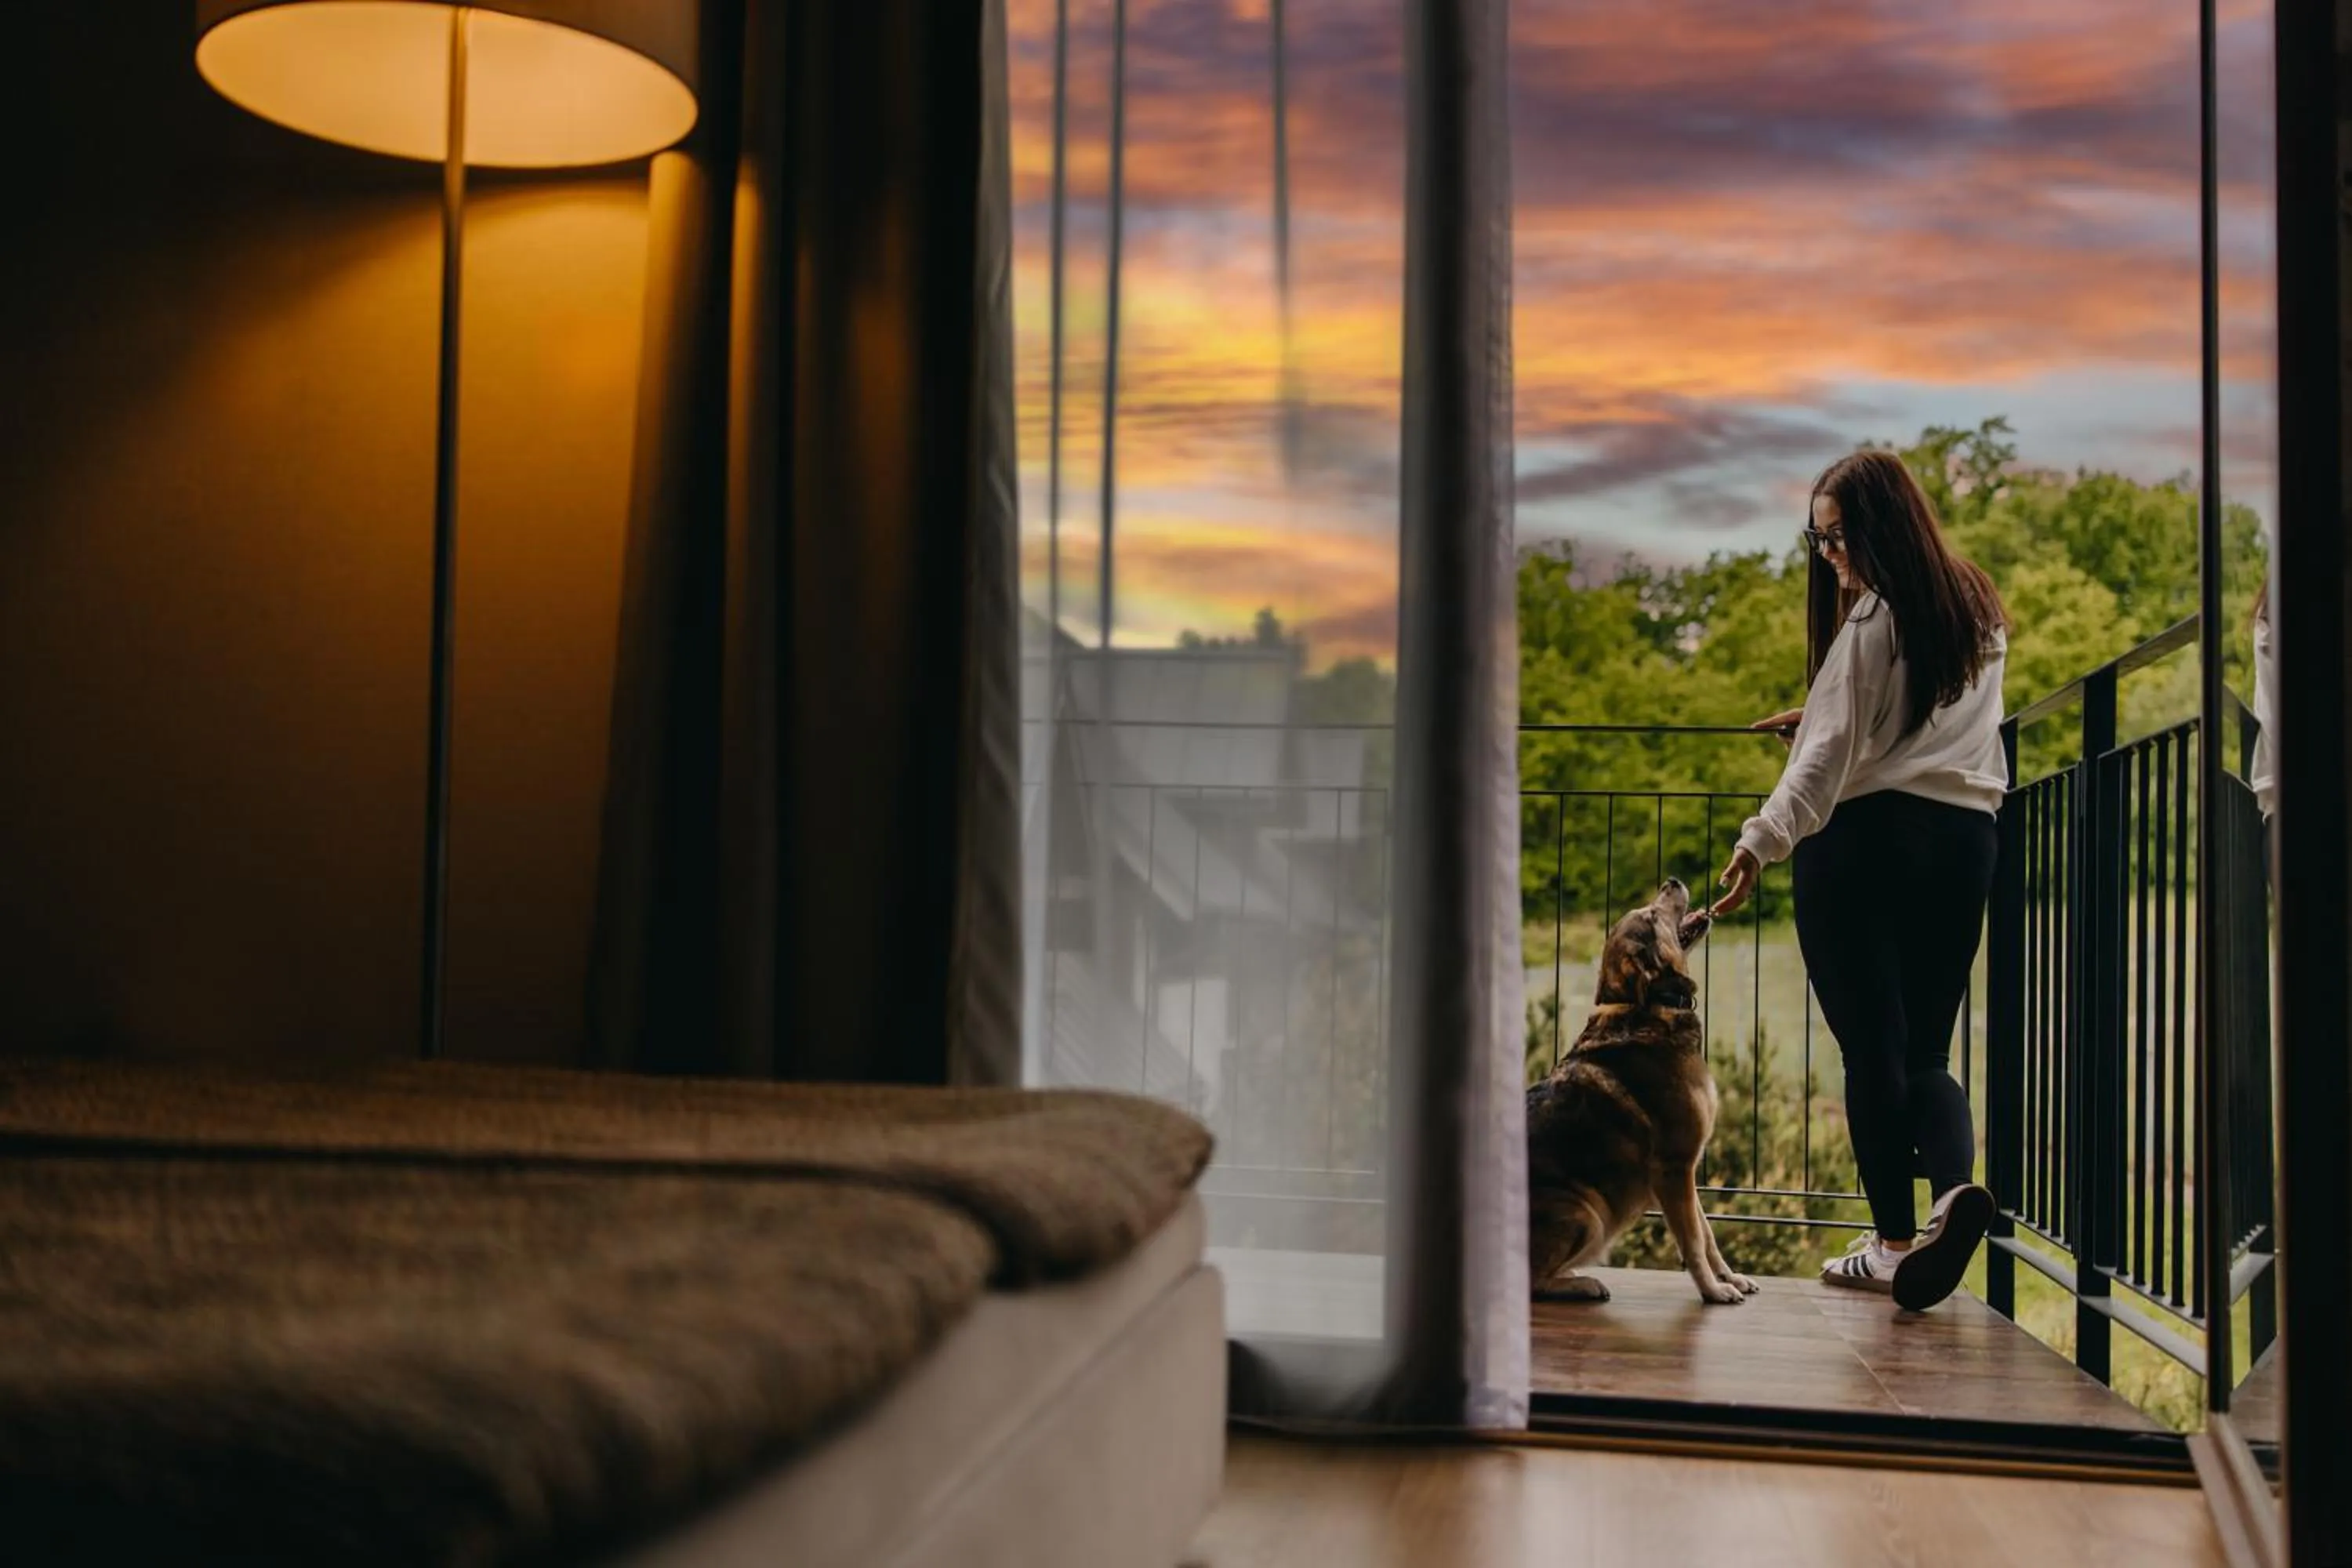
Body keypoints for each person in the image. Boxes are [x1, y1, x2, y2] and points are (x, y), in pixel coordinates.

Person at [1711, 449, 2007, 1312]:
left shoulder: (1871, 622)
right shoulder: (1976, 605)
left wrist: (1755, 845)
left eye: (1837, 536)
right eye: (1818, 537)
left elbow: (1827, 766)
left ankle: (1888, 1243)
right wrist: (1834, 707)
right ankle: (1956, 1193)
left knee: (1872, 1050)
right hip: (1963, 844)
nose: (1827, 554)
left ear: (1877, 526)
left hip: (1863, 848)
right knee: (1923, 1053)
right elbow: (1923, 715)